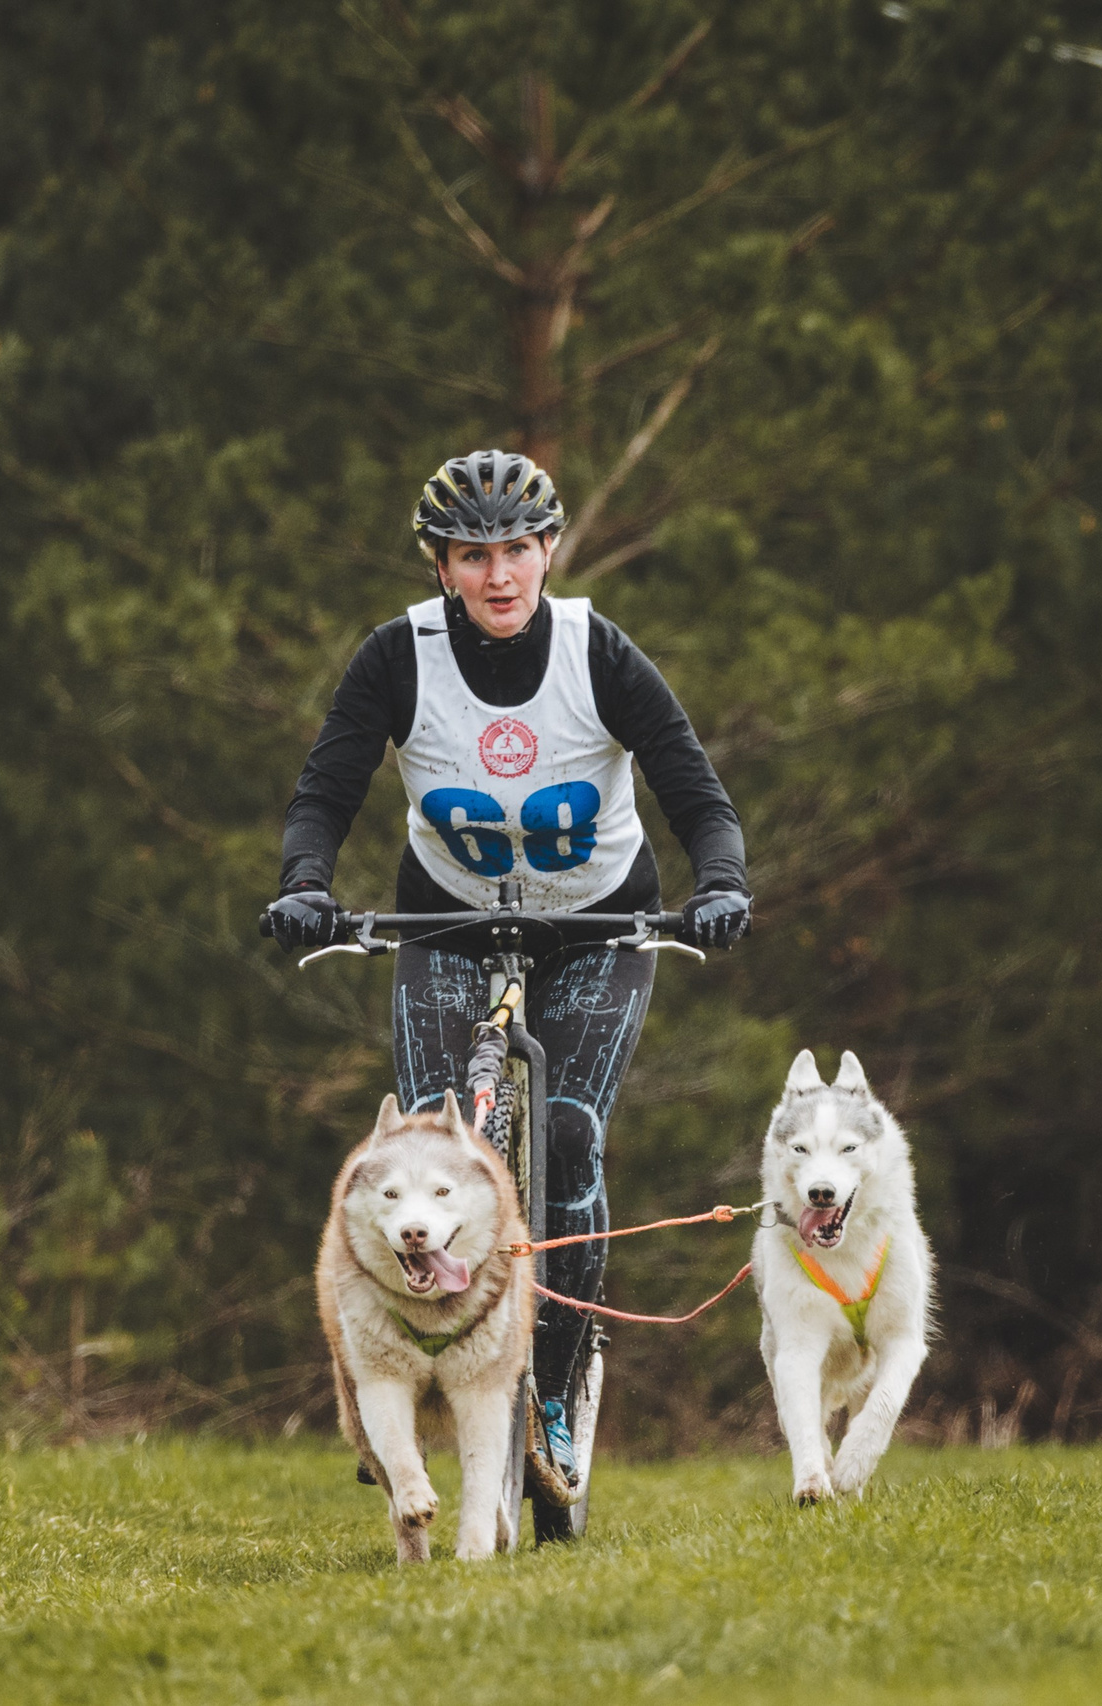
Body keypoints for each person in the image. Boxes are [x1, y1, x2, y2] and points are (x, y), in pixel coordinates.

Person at [265, 448, 751, 1470]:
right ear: (441, 566)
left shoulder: (598, 653)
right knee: (426, 1152)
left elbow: (695, 794)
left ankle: (562, 1384)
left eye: (518, 549)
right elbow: (325, 793)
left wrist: (719, 886)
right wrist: (306, 882)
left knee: (567, 1135)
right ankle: (397, 1381)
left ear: (547, 552)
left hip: (597, 922)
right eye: (473, 553)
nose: (499, 574)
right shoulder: (395, 658)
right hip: (442, 918)